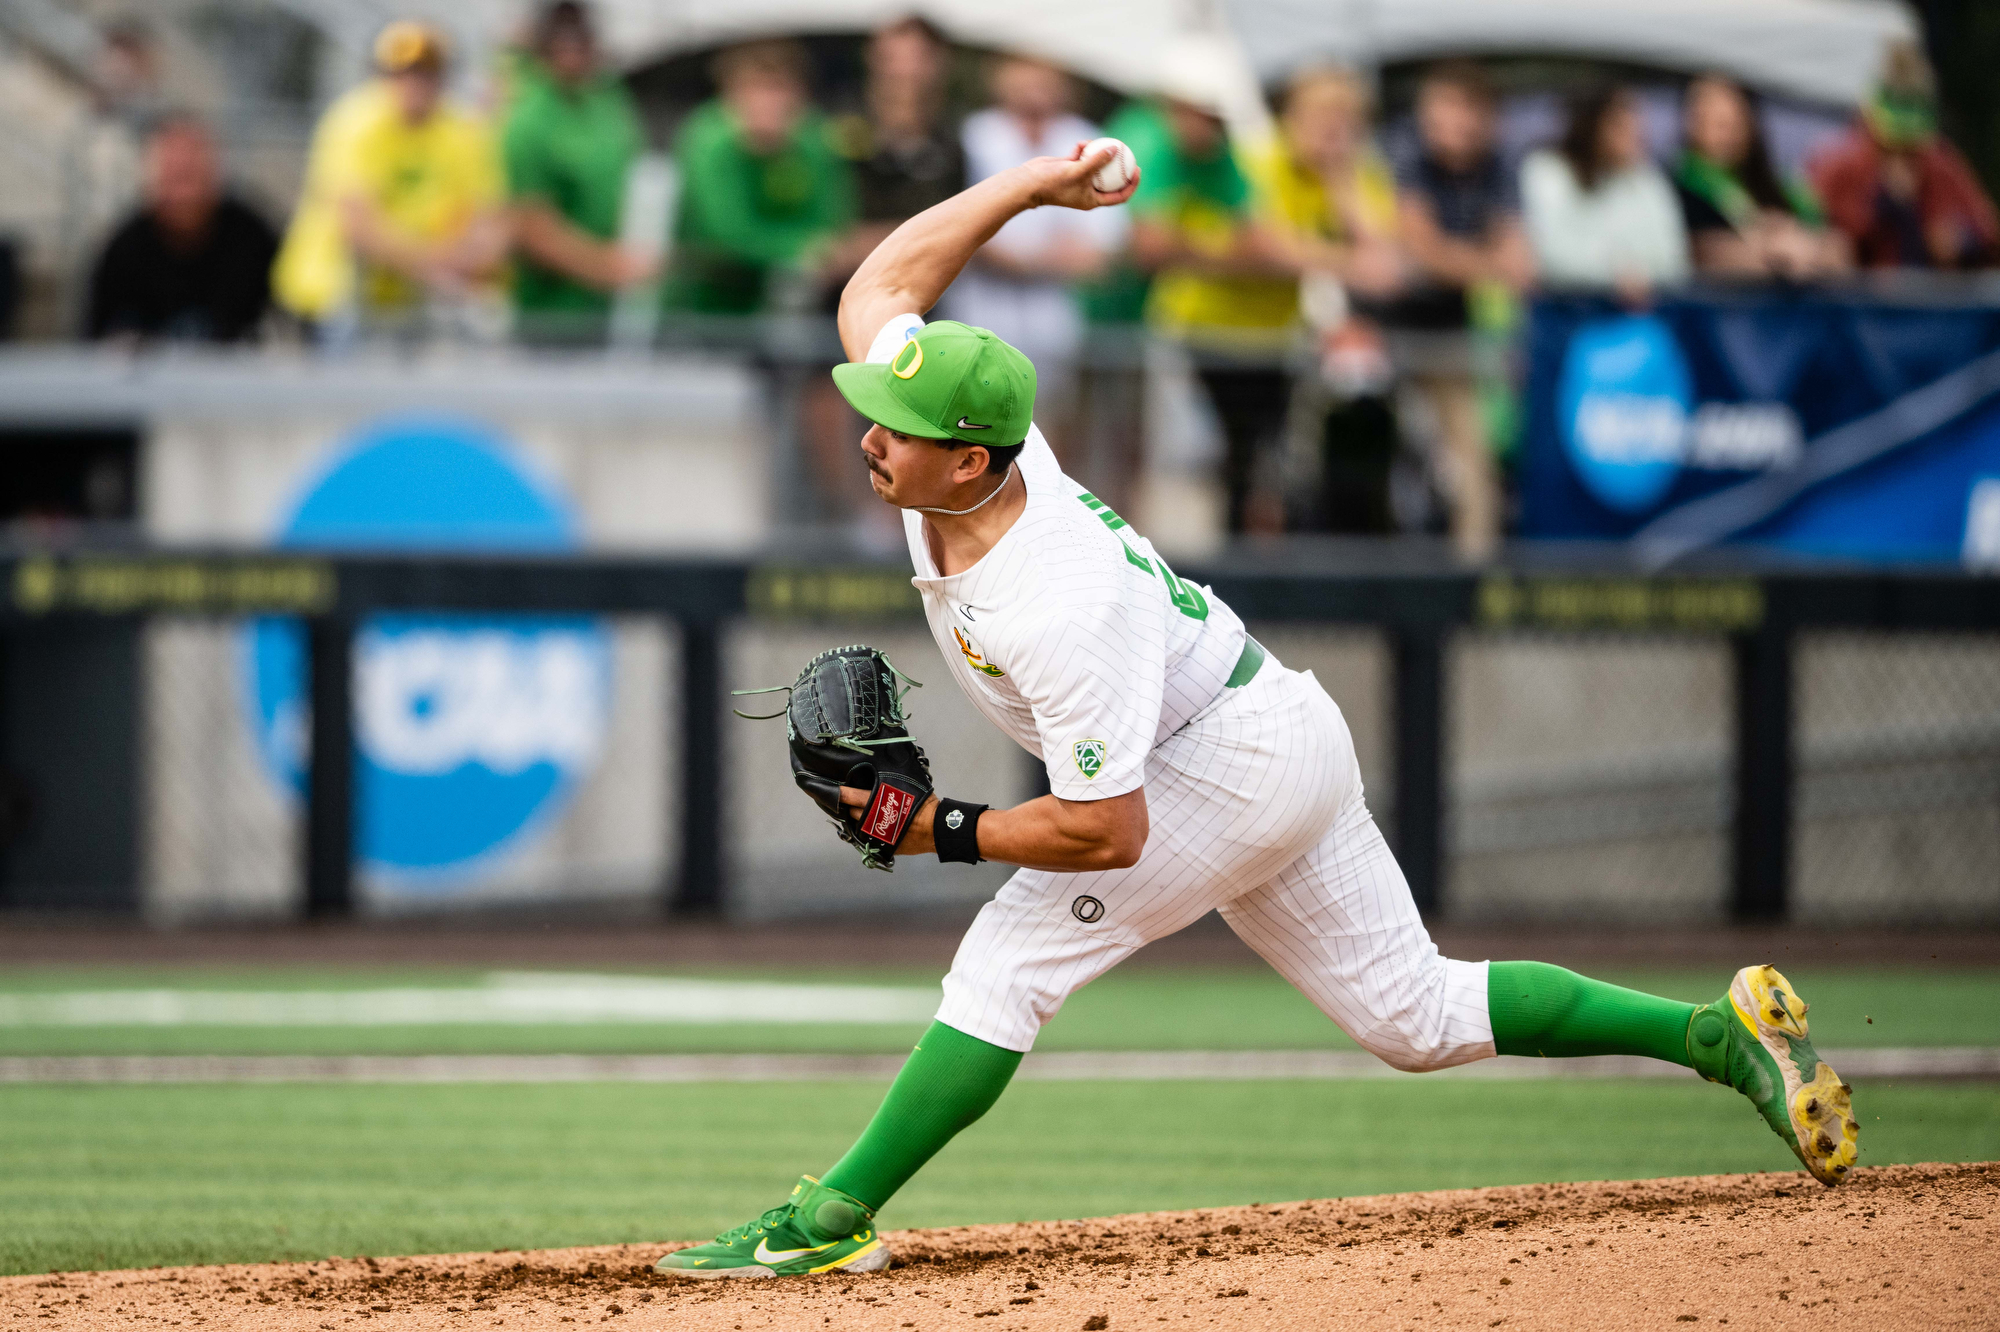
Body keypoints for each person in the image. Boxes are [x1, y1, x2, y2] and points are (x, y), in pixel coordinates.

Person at [651, 141, 1860, 1282]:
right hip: (1269, 724)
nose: (870, 433)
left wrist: (941, 832)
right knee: (1413, 1015)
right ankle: (1717, 1036)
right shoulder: (958, 457)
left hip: (1217, 761)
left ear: (969, 462)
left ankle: (823, 1223)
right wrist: (1028, 184)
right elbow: (881, 282)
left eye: (897, 428)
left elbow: (1105, 832)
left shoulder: (1054, 601)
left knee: (1005, 965)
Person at [1126, 53, 1298, 536]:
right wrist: (1217, 248)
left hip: (1176, 331)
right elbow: (1150, 247)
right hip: (1138, 327)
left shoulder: (1222, 158)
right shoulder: (1148, 144)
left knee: (1201, 457)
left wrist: (1191, 246)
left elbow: (1257, 243)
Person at [807, 17, 969, 529]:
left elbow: (951, 226)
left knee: (911, 418)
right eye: (892, 54)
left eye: (915, 55)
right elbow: (825, 224)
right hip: (839, 304)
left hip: (920, 312)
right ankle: (845, 517)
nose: (903, 69)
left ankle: (904, 520)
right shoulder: (839, 130)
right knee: (827, 400)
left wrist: (862, 242)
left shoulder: (950, 145)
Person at [941, 55, 1124, 463]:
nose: (1033, 81)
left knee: (1051, 438)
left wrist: (1018, 256)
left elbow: (1100, 256)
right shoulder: (974, 136)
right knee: (969, 438)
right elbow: (962, 233)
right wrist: (1049, 254)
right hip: (976, 321)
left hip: (1056, 327)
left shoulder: (1088, 140)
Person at [271, 21, 507, 332]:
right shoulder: (354, 122)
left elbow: (487, 219)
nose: (413, 83)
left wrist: (464, 256)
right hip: (333, 300)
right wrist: (442, 261)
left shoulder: (461, 132)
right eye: (402, 71)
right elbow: (359, 227)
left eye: (425, 72)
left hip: (412, 302)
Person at [1251, 68, 1404, 533]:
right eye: (1321, 117)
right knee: (1255, 467)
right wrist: (1348, 263)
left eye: (1345, 120)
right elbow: (1270, 246)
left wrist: (1341, 184)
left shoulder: (1363, 173)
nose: (1332, 130)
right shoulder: (1263, 162)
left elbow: (1387, 262)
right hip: (1251, 341)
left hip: (1339, 361)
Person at [1392, 61, 1532, 561]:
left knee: (1474, 469)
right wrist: (1482, 263)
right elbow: (1419, 248)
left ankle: (1471, 585)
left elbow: (1518, 259)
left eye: (1465, 110)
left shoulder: (1500, 164)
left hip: (1453, 342)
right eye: (1443, 106)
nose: (1453, 122)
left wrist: (1459, 262)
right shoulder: (1403, 152)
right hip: (1383, 336)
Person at [665, 40, 856, 316]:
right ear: (729, 94)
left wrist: (821, 249)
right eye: (757, 89)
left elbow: (833, 217)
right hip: (705, 306)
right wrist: (805, 248)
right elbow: (724, 234)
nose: (770, 103)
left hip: (794, 304)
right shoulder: (708, 140)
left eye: (780, 89)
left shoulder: (812, 141)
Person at [503, 0, 654, 337]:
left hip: (613, 308)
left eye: (581, 36)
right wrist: (608, 267)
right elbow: (531, 224)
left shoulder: (607, 99)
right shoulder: (529, 119)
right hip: (553, 311)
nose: (572, 47)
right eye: (562, 37)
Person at [84, 115, 278, 343]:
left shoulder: (254, 239)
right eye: (174, 176)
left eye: (191, 174)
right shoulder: (123, 251)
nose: (185, 194)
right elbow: (98, 341)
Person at [1809, 40, 1999, 271]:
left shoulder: (1939, 162)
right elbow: (1812, 233)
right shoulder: (1838, 162)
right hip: (1856, 302)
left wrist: (1965, 242)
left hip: (1933, 300)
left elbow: (1987, 232)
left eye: (1909, 148)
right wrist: (1881, 207)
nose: (1903, 153)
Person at [1520, 85, 1689, 299]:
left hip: (1639, 312)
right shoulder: (1547, 169)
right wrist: (1617, 272)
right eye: (1621, 124)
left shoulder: (1648, 178)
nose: (1636, 131)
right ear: (1593, 125)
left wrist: (1634, 274)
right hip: (1566, 309)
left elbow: (1673, 260)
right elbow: (1550, 253)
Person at [1674, 74, 1846, 280]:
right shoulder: (1683, 187)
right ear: (1691, 124)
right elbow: (1699, 254)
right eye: (1717, 124)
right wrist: (1773, 252)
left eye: (1735, 123)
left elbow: (1838, 249)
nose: (1728, 136)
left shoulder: (1781, 184)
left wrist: (1803, 245)